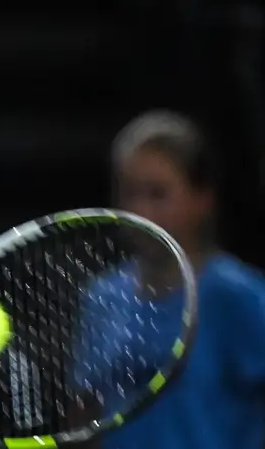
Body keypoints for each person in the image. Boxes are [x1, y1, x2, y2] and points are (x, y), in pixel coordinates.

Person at [93, 110, 265, 448]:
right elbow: (86, 416)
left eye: (157, 193)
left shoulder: (238, 297)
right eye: (129, 192)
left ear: (202, 200)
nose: (140, 211)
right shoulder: (101, 297)